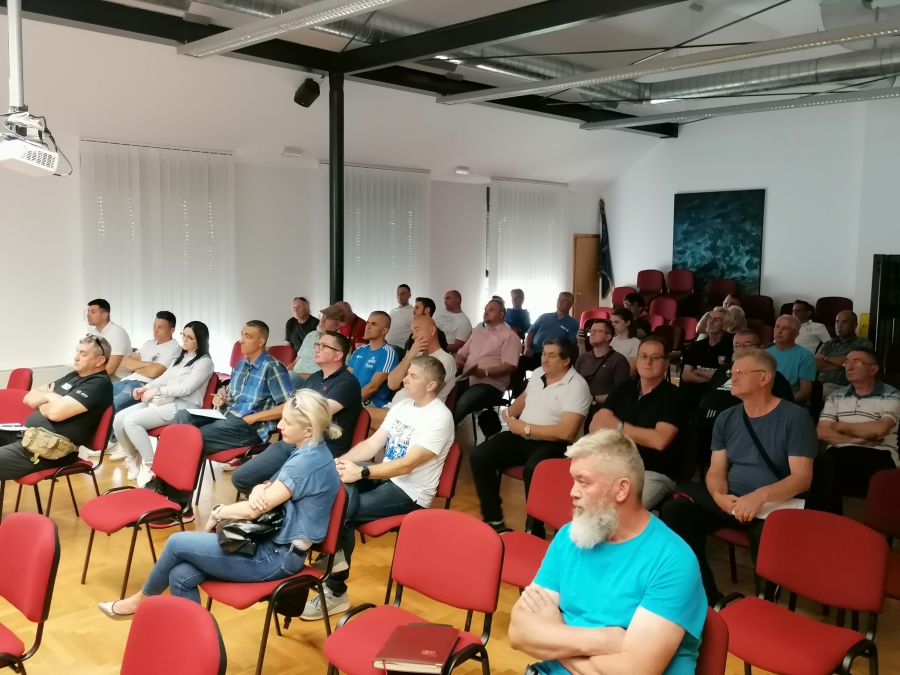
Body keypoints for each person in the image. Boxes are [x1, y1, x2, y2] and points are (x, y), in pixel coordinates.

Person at [97, 390, 341, 617]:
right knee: (181, 575)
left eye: (287, 422)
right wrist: (261, 487)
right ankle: (193, 642)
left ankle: (140, 601)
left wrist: (218, 512)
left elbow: (254, 509)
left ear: (308, 430)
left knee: (176, 542)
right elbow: (272, 487)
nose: (279, 425)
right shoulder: (311, 451)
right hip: (271, 544)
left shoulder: (306, 462)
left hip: (276, 557)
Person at [509, 430, 706, 675]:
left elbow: (632, 672)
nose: (573, 492)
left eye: (583, 482)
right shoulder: (570, 537)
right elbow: (518, 632)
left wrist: (556, 631)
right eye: (573, 480)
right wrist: (602, 640)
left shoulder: (673, 561)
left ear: (622, 489)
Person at [301, 356, 455, 619]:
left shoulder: (440, 417)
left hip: (410, 492)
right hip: (384, 474)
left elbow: (407, 465)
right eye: (407, 373)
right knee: (335, 482)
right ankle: (336, 556)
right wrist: (338, 464)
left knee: (340, 509)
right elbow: (372, 445)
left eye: (413, 376)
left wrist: (361, 472)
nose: (404, 379)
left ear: (431, 385)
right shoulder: (403, 406)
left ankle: (336, 591)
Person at [660, 349, 817, 605]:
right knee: (675, 511)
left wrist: (759, 497)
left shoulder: (795, 417)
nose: (732, 378)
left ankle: (765, 604)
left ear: (765, 377)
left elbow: (801, 478)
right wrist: (719, 496)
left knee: (766, 532)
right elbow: (716, 470)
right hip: (733, 501)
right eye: (732, 372)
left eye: (740, 372)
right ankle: (707, 597)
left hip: (773, 505)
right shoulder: (727, 417)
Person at [470, 336, 591, 536]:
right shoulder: (538, 373)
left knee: (534, 470)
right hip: (522, 436)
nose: (545, 359)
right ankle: (494, 520)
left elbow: (567, 431)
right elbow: (524, 399)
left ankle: (534, 530)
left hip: (555, 444)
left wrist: (525, 428)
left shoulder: (577, 386)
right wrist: (508, 413)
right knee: (479, 456)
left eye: (551, 355)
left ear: (566, 360)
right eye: (544, 354)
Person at [233, 331, 363, 495]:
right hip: (294, 440)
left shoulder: (347, 382)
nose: (317, 349)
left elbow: (316, 413)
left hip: (321, 448)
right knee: (240, 478)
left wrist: (294, 408)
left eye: (324, 346)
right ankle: (265, 506)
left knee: (272, 493)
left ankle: (271, 504)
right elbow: (293, 407)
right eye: (317, 345)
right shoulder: (314, 378)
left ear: (338, 355)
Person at [112, 322, 215, 488]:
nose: (185, 340)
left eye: (190, 338)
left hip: (184, 406)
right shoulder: (182, 357)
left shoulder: (204, 362)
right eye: (184, 335)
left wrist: (157, 391)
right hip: (165, 401)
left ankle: (153, 468)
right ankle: (132, 457)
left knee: (131, 422)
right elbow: (164, 379)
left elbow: (187, 388)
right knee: (118, 420)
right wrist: (146, 388)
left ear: (200, 341)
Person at [173, 320, 293, 462]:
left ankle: (169, 472)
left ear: (261, 342)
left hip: (249, 426)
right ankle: (171, 470)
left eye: (248, 336)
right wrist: (222, 400)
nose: (241, 341)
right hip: (228, 416)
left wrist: (253, 418)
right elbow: (233, 398)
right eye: (242, 335)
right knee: (182, 416)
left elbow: (289, 406)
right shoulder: (240, 366)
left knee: (192, 437)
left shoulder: (273, 367)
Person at [590, 337, 687, 510]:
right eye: (643, 356)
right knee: (582, 499)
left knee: (619, 510)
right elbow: (596, 426)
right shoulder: (624, 388)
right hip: (614, 464)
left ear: (666, 363)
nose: (648, 362)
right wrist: (639, 434)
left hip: (652, 471)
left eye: (655, 357)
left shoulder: (675, 396)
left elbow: (659, 441)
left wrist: (619, 427)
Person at [0, 336, 113, 482]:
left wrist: (46, 397)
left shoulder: (98, 384)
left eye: (83, 354)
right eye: (77, 352)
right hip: (28, 436)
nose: (76, 357)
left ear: (99, 360)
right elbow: (29, 398)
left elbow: (55, 413)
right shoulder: (73, 376)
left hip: (48, 450)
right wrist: (51, 397)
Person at [694, 330, 795, 466]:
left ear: (761, 348)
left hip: (744, 432)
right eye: (737, 345)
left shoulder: (772, 377)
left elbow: (785, 412)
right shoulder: (723, 370)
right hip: (708, 426)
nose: (741, 349)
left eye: (747, 345)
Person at [817, 348, 900, 514]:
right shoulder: (836, 396)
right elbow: (822, 432)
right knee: (818, 464)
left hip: (880, 451)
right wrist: (857, 440)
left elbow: (880, 429)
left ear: (873, 369)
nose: (849, 366)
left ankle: (832, 520)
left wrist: (841, 426)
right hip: (840, 451)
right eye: (847, 362)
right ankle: (826, 520)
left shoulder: (892, 395)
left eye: (857, 362)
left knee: (834, 466)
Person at [107, 311, 182, 452]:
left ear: (172, 330)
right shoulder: (148, 344)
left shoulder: (174, 348)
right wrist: (149, 365)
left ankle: (113, 441)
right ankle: (104, 439)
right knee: (100, 396)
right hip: (127, 380)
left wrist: (138, 366)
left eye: (160, 327)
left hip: (143, 385)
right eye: (154, 326)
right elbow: (125, 362)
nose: (155, 330)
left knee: (114, 404)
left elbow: (155, 373)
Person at [368, 316, 456, 431]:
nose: (413, 336)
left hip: (412, 416)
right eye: (412, 331)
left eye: (417, 330)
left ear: (432, 330)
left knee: (357, 415)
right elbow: (392, 384)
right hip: (394, 408)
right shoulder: (414, 355)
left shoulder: (446, 359)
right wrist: (410, 356)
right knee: (361, 431)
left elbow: (424, 393)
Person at [453, 299, 521, 426]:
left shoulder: (510, 336)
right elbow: (462, 353)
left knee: (465, 401)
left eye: (491, 310)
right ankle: (438, 428)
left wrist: (484, 372)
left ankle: (443, 432)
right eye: (485, 310)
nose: (486, 313)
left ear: (501, 315)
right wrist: (459, 360)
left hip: (491, 385)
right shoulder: (477, 332)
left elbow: (510, 366)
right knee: (448, 394)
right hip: (468, 378)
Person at [513, 292, 579, 396]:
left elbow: (569, 344)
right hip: (535, 354)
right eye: (559, 299)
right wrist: (527, 348)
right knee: (519, 362)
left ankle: (535, 393)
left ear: (571, 304)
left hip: (553, 357)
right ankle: (516, 395)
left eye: (564, 301)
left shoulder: (573, 323)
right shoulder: (544, 317)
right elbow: (531, 332)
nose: (560, 302)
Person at [574, 319, 631, 428]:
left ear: (608, 337)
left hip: (604, 412)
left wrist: (593, 398)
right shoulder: (583, 358)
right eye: (591, 331)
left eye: (597, 331)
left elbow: (622, 394)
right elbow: (573, 384)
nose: (592, 334)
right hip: (579, 409)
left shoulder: (618, 360)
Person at [680, 307, 733, 412]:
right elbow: (685, 375)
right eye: (710, 318)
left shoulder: (731, 347)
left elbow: (726, 377)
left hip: (718, 394)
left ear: (725, 326)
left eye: (716, 320)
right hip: (693, 392)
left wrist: (697, 371)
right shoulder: (697, 346)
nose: (710, 322)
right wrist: (711, 379)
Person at [815, 311, 873, 398]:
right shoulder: (829, 343)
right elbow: (815, 364)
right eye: (837, 322)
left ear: (855, 325)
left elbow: (854, 363)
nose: (839, 325)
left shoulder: (863, 343)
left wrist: (826, 358)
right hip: (818, 384)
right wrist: (843, 364)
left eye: (844, 322)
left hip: (841, 387)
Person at [348, 312, 398, 409]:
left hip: (371, 403)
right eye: (367, 323)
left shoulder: (388, 353)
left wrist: (347, 403)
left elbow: (373, 387)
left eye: (373, 324)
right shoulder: (359, 350)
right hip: (351, 399)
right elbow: (347, 378)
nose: (368, 327)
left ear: (384, 330)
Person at [767, 315, 816, 403]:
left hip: (789, 404)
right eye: (777, 327)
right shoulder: (764, 353)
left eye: (785, 328)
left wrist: (778, 404)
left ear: (795, 334)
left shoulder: (805, 356)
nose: (779, 331)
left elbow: (804, 393)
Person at [292, 304, 346, 384]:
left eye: (328, 318)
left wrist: (295, 375)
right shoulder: (311, 335)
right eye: (323, 316)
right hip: (293, 377)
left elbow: (333, 375)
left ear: (338, 325)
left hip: (314, 383)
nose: (322, 320)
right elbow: (295, 361)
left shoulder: (340, 344)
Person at [86, 298, 132, 379]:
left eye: (93, 312)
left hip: (117, 377)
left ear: (104, 315)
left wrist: (89, 378)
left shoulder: (117, 333)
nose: (88, 315)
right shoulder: (92, 333)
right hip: (98, 374)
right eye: (88, 311)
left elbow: (111, 369)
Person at [433, 290, 473, 354]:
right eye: (445, 299)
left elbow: (457, 346)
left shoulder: (465, 322)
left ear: (457, 300)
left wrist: (436, 348)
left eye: (448, 298)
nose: (445, 301)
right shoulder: (440, 312)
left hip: (444, 353)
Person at [284, 296, 319, 363]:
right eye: (294, 307)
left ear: (307, 309)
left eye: (299, 307)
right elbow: (287, 345)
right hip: (294, 360)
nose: (295, 310)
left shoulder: (315, 323)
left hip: (310, 359)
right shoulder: (290, 323)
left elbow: (315, 348)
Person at [609, 308, 641, 375]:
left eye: (616, 322)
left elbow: (632, 370)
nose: (613, 325)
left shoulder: (636, 343)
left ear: (627, 323)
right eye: (612, 322)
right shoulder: (609, 340)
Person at [385, 284, 414, 352]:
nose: (399, 296)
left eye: (402, 294)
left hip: (400, 348)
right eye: (398, 293)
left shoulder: (413, 312)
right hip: (387, 346)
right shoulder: (392, 311)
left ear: (409, 295)